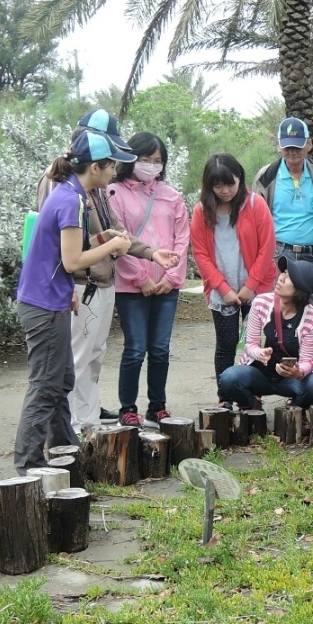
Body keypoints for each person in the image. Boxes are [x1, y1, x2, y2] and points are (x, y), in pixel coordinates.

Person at [35, 112, 178, 429]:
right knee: (75, 359)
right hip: (76, 287)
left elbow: (114, 230)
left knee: (93, 355)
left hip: (100, 283)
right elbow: (58, 247)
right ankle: (67, 429)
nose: (116, 166)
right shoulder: (60, 185)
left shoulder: (97, 186)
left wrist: (152, 254)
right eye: (111, 158)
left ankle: (88, 422)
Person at [14, 130, 136, 474]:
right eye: (111, 166)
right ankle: (28, 464)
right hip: (43, 305)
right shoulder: (71, 200)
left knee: (62, 379)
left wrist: (103, 237)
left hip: (49, 298)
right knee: (45, 385)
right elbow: (72, 261)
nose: (115, 173)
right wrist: (112, 248)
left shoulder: (70, 192)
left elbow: (61, 248)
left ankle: (63, 446)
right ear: (95, 168)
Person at [107, 132, 190, 427]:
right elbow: (119, 242)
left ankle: (158, 405)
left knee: (160, 349)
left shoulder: (171, 195)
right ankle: (127, 408)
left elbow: (182, 238)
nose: (152, 166)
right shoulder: (114, 193)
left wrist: (171, 277)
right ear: (130, 159)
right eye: (145, 160)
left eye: (158, 161)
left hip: (167, 286)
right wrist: (140, 277)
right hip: (131, 287)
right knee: (135, 348)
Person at [189, 154, 276, 388]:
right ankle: (225, 397)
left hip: (256, 288)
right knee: (226, 344)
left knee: (254, 344)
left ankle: (252, 395)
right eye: (218, 185)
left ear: (240, 178)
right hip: (222, 289)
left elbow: (267, 247)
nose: (225, 190)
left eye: (230, 183)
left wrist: (250, 285)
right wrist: (224, 289)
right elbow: (201, 254)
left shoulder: (256, 205)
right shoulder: (201, 212)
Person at [254, 116, 313, 351]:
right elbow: (257, 220)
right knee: (273, 315)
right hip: (279, 256)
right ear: (279, 145)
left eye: (298, 145)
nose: (292, 151)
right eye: (287, 145)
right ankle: (275, 367)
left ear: (309, 144)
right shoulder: (266, 176)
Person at [218, 255, 313, 410]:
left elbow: (307, 361)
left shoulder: (311, 317)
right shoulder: (261, 303)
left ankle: (295, 409)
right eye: (284, 272)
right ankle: (251, 407)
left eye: (289, 277)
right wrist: (260, 353)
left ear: (300, 290)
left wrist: (298, 372)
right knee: (228, 378)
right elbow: (250, 345)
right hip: (260, 375)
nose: (281, 277)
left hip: (289, 380)